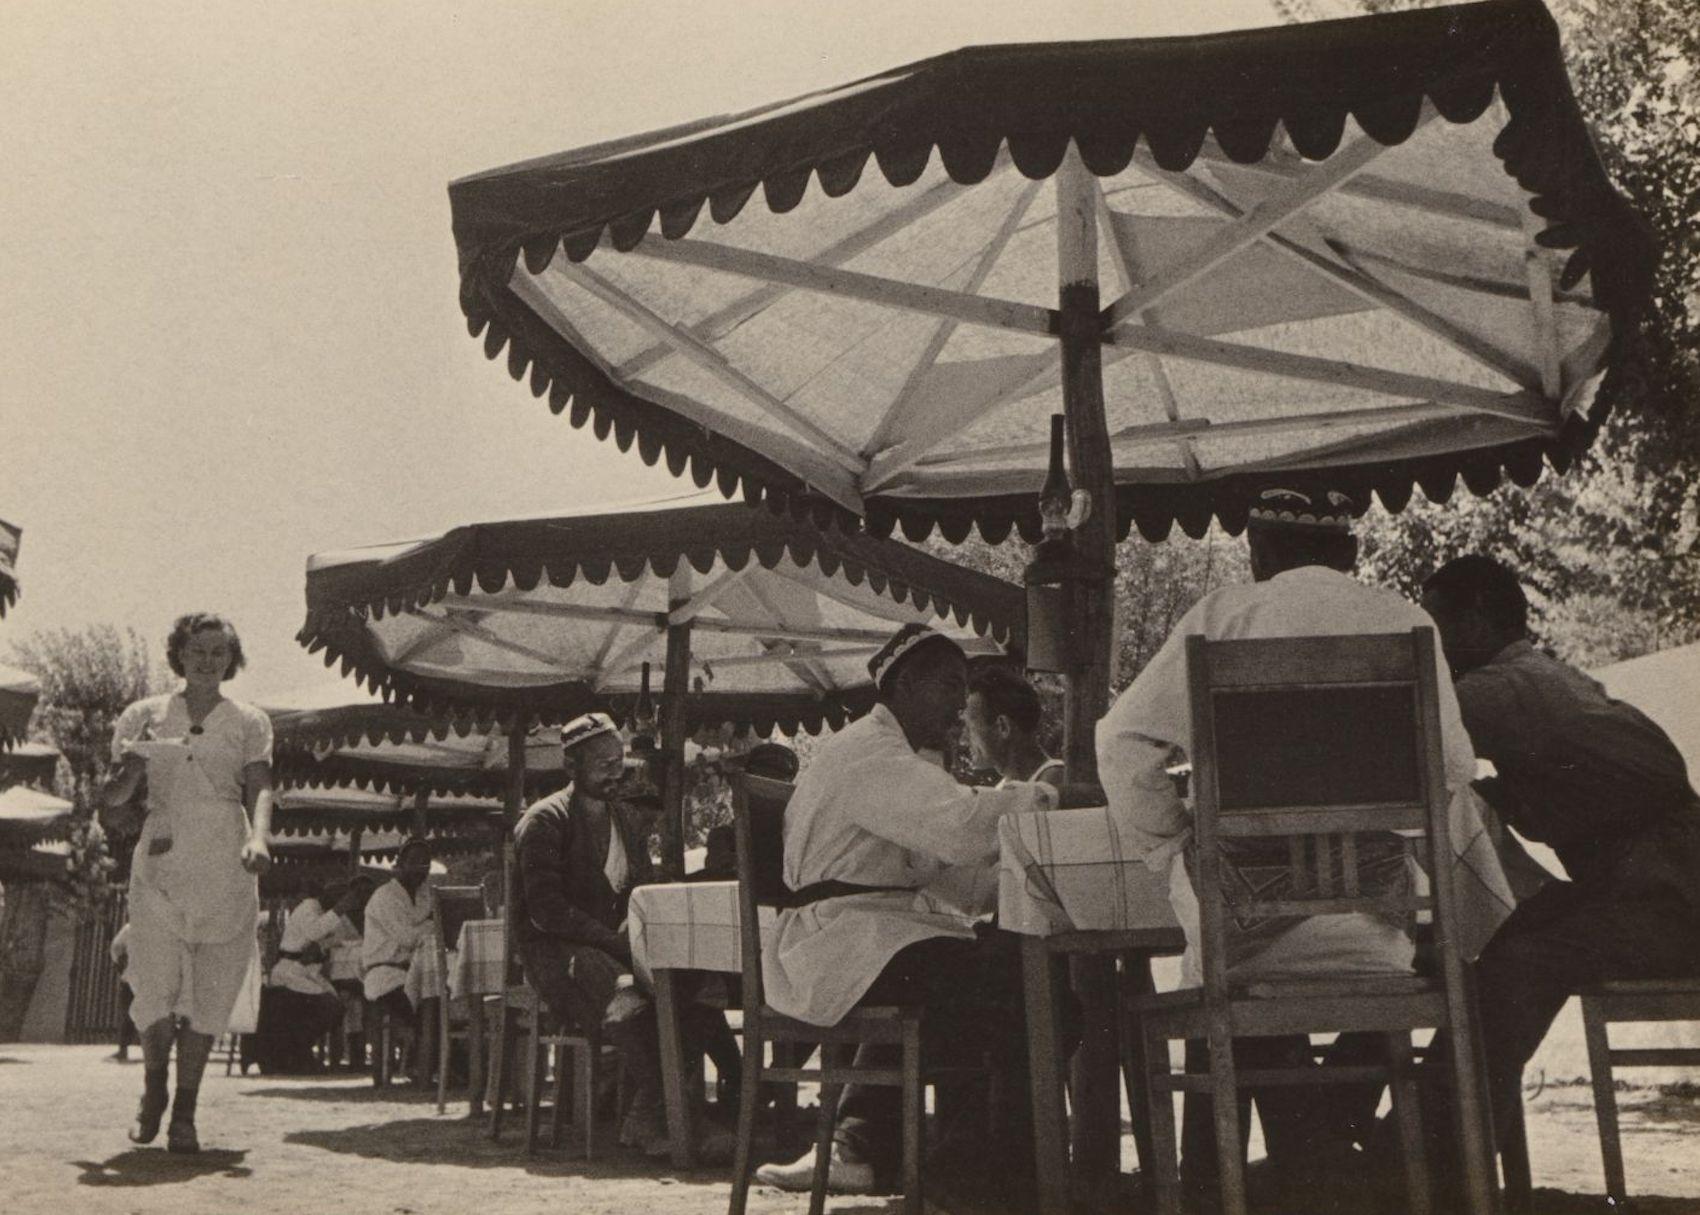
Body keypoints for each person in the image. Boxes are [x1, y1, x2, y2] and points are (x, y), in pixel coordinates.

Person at [1096, 488, 1512, 1200]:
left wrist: (1171, 842)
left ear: (1258, 553)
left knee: (1211, 934)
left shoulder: (1224, 616)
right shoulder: (1406, 620)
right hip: (1375, 932)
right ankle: (1317, 1152)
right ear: (1350, 554)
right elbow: (1451, 767)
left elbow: (1119, 738)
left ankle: (1241, 1174)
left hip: (1242, 933)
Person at [756, 623, 1061, 1204]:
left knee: (1009, 971)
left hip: (875, 930)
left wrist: (1013, 876)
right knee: (1021, 980)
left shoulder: (901, 761)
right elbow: (961, 827)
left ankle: (886, 1151)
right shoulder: (871, 755)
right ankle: (970, 1175)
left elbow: (950, 876)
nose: (957, 703)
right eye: (949, 684)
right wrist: (1047, 798)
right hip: (843, 937)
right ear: (905, 684)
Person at [1421, 555, 1700, 1145]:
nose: (1432, 646)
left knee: (1513, 960)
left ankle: (1432, 1149)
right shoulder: (1545, 678)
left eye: (1434, 626)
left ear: (1473, 622)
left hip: (1669, 902)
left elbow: (1389, 735)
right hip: (1656, 890)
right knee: (1491, 947)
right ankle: (1431, 1142)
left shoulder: (1497, 689)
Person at [100, 613, 275, 1154]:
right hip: (162, 857)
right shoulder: (142, 714)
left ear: (232, 658)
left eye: (218, 652)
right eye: (197, 650)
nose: (207, 660)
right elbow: (112, 802)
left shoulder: (250, 720)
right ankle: (153, 1090)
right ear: (179, 653)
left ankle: (186, 1112)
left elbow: (260, 788)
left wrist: (260, 839)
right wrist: (132, 764)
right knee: (154, 978)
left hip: (226, 860)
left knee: (212, 986)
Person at [513, 712, 684, 1151]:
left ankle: (664, 1111)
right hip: (556, 957)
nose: (616, 770)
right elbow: (546, 911)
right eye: (603, 763)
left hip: (614, 950)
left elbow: (640, 889)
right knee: (625, 991)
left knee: (685, 987)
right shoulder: (544, 821)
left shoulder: (624, 819)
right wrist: (613, 941)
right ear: (571, 767)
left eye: (619, 760)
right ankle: (667, 1117)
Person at [257, 880, 360, 1073]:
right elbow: (315, 931)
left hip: (309, 973)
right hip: (290, 971)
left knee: (337, 1005)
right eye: (337, 896)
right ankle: (298, 1052)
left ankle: (299, 1051)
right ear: (326, 894)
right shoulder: (308, 907)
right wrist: (339, 909)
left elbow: (347, 937)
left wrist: (323, 945)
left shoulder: (328, 913)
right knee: (329, 1006)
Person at [362, 838, 435, 1078]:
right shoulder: (385, 896)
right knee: (427, 1005)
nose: (420, 869)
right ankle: (422, 1062)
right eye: (414, 863)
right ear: (400, 864)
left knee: (443, 996)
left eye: (425, 864)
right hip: (386, 973)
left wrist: (429, 926)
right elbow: (407, 937)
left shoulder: (425, 894)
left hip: (414, 970)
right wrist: (432, 925)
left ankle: (433, 1061)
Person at [963, 663, 1063, 788]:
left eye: (969, 728)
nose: (963, 740)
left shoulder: (1053, 783)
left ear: (1003, 727)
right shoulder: (1003, 789)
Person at [109, 923, 136, 1063]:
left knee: (126, 1012)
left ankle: (123, 1049)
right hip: (156, 979)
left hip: (132, 977)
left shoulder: (131, 927)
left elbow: (116, 947)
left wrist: (119, 965)